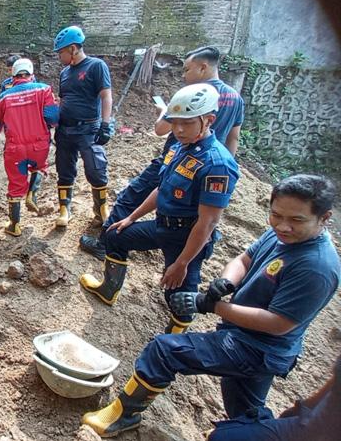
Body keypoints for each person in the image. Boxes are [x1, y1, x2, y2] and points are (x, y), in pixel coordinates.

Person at [81, 174, 340, 438]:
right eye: (276, 215)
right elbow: (244, 259)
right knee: (244, 410)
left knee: (165, 350)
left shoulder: (316, 267)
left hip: (257, 347)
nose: (283, 226)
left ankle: (124, 414)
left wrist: (209, 304)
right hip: (249, 337)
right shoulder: (282, 235)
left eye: (296, 220)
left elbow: (278, 323)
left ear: (324, 218)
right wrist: (226, 282)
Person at [79, 83, 239, 334]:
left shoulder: (217, 164)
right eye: (175, 122)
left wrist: (182, 262)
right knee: (115, 235)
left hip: (187, 237)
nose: (178, 129)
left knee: (179, 297)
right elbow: (161, 189)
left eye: (186, 123)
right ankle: (108, 289)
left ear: (209, 120)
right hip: (162, 225)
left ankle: (174, 338)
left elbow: (207, 223)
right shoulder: (178, 148)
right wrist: (131, 218)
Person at [80, 46, 245, 260]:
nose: (184, 76)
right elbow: (233, 138)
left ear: (203, 67)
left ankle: (105, 243)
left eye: (187, 70)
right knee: (196, 216)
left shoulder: (190, 97)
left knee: (130, 197)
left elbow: (160, 130)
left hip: (175, 159)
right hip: (204, 168)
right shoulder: (235, 98)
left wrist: (163, 114)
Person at [0, 58, 59, 236]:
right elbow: (52, 118)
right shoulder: (44, 89)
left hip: (15, 149)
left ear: (13, 75)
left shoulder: (4, 97)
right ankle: (32, 193)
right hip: (39, 145)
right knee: (39, 167)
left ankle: (14, 226)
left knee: (16, 184)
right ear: (31, 74)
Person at [52, 26, 114, 228]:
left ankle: (101, 208)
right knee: (64, 169)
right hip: (65, 129)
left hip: (88, 128)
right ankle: (64, 208)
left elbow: (106, 95)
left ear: (72, 48)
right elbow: (64, 99)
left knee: (96, 169)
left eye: (61, 52)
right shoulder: (64, 73)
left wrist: (105, 124)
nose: (59, 56)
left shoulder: (96, 66)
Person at [208, 353, 341, 441]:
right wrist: (300, 410)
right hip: (315, 425)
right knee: (225, 435)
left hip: (318, 432)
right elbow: (334, 387)